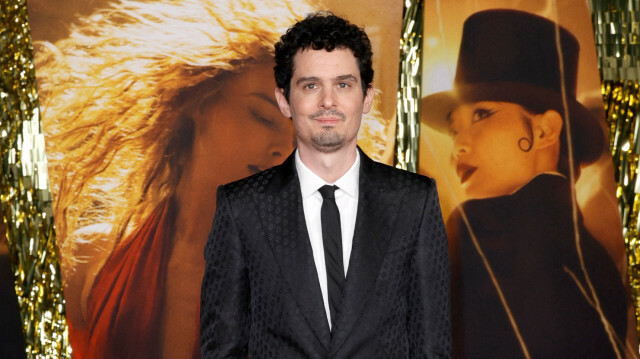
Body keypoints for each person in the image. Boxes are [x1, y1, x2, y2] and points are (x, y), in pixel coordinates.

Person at [34, 0, 320, 357]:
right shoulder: (95, 257)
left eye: (298, 138)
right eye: (261, 116)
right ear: (201, 99)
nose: (281, 149)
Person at [200, 11, 452, 358]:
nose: (328, 101)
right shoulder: (241, 206)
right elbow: (222, 349)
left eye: (344, 84)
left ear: (367, 98)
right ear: (284, 100)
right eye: (311, 85)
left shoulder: (415, 201)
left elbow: (433, 346)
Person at [421, 9, 629, 358]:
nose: (458, 144)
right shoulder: (602, 267)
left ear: (545, 130)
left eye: (482, 115)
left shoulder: (475, 230)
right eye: (455, 129)